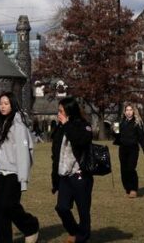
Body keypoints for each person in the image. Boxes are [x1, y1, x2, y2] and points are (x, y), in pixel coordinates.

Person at [0, 92, 39, 243]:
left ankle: (30, 226)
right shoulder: (0, 124)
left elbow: (23, 154)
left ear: (12, 105)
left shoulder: (18, 126)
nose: (2, 106)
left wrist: (23, 179)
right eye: (0, 104)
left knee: (9, 205)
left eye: (6, 103)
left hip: (14, 173)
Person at [51, 97, 93, 243]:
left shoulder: (84, 125)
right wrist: (55, 179)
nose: (58, 114)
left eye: (61, 111)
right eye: (58, 111)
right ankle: (74, 231)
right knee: (61, 208)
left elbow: (80, 141)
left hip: (80, 175)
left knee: (83, 211)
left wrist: (67, 124)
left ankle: (82, 238)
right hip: (64, 176)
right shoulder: (60, 127)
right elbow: (55, 154)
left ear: (69, 111)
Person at [114, 103, 144, 198]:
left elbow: (142, 138)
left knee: (131, 169)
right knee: (123, 170)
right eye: (127, 110)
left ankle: (134, 189)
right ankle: (127, 188)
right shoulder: (121, 122)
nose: (128, 112)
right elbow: (116, 135)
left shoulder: (137, 123)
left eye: (130, 110)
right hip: (122, 149)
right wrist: (114, 129)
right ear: (124, 112)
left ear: (133, 111)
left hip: (133, 149)